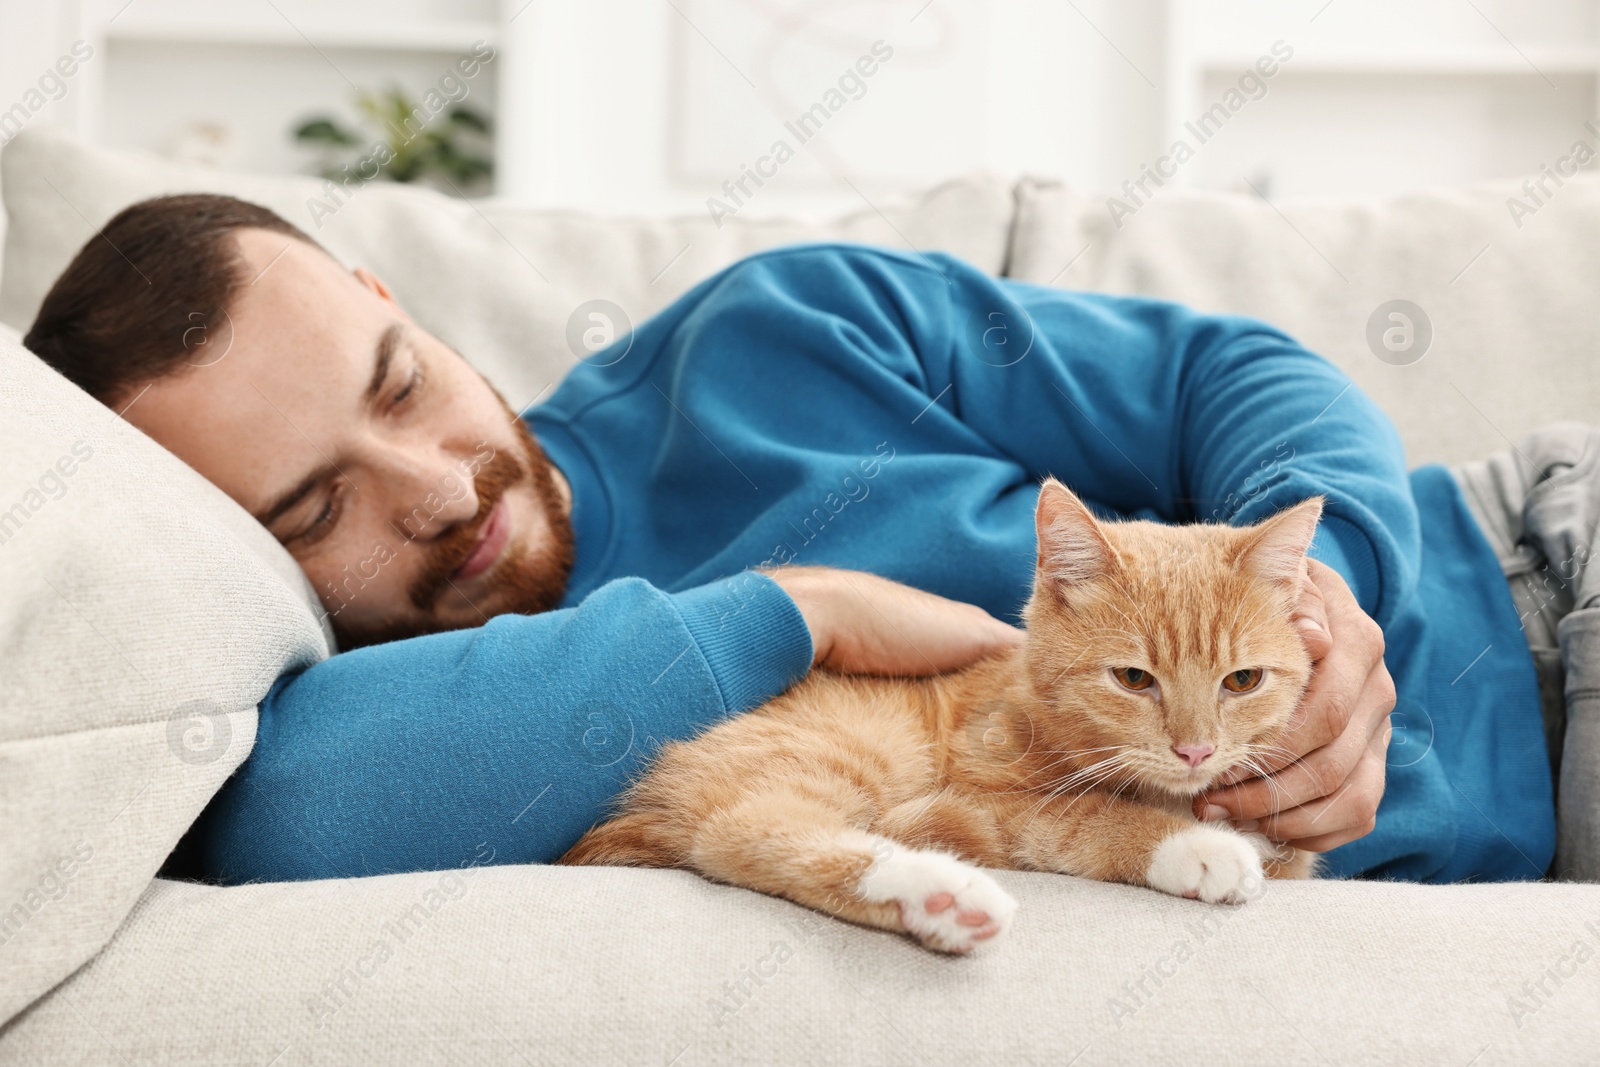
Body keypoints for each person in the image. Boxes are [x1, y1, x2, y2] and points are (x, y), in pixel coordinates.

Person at [21, 194, 1573, 885]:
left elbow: (1228, 377)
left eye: (401, 382)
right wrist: (796, 607)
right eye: (314, 507)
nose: (428, 484)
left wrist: (1336, 600)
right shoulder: (409, 724)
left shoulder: (782, 330)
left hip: (1532, 581)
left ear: (387, 295)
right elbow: (266, 813)